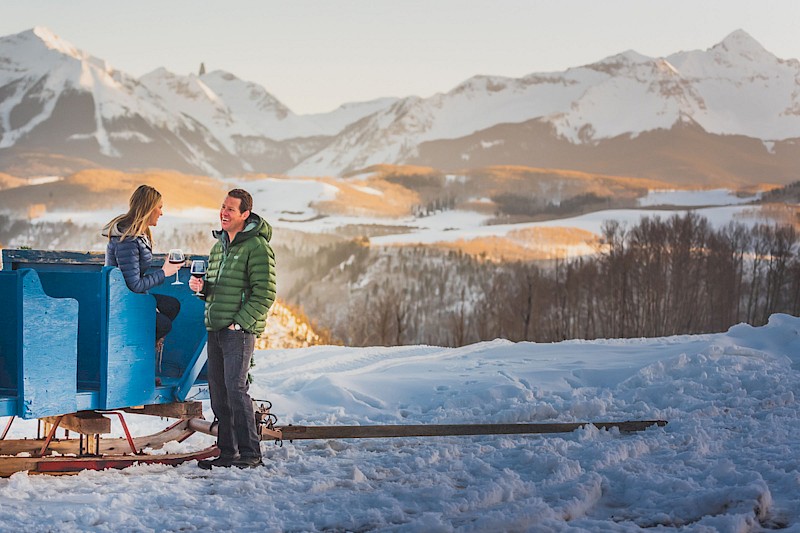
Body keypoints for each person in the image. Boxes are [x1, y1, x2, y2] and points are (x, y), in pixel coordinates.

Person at [191, 188, 276, 470]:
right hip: (215, 329)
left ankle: (251, 453)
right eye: (223, 207)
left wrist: (240, 321)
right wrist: (203, 290)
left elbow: (265, 293)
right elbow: (218, 289)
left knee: (236, 389)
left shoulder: (257, 247)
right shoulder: (219, 247)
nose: (223, 213)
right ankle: (228, 453)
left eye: (230, 209)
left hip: (238, 331)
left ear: (245, 215)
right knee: (218, 391)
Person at [102, 185, 182, 361]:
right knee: (163, 324)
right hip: (121, 301)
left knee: (171, 305)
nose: (161, 213)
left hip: (131, 296)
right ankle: (141, 358)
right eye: (159, 207)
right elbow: (133, 285)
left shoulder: (141, 234)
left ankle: (149, 349)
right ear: (148, 208)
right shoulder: (127, 240)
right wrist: (164, 272)